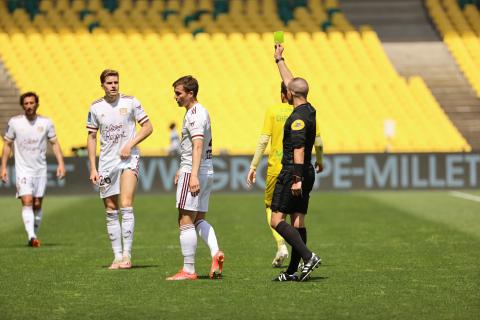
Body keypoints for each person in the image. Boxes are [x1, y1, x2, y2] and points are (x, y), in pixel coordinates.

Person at [86, 69, 153, 270]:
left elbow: (148, 127)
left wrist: (130, 145)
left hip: (128, 159)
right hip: (106, 163)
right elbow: (91, 138)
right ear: (102, 85)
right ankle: (116, 256)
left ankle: (127, 255)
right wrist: (92, 167)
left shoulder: (131, 102)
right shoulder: (95, 108)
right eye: (109, 83)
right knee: (110, 208)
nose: (113, 85)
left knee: (126, 203)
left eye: (116, 82)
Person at [270, 44, 324, 282]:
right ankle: (292, 271)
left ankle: (308, 256)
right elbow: (292, 82)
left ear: (291, 94)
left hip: (294, 171)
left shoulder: (298, 119)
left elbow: (299, 149)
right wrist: (279, 60)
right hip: (306, 171)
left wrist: (296, 180)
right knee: (298, 220)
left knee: (277, 220)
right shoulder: (309, 109)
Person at [166, 75, 224, 281]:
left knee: (185, 219)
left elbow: (198, 145)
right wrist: (183, 168)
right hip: (206, 171)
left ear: (191, 93)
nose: (175, 97)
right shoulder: (200, 112)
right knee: (199, 219)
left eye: (179, 93)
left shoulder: (194, 114)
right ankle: (216, 252)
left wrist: (191, 175)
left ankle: (188, 270)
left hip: (196, 171)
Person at [1, 92, 66, 247]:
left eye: (32, 103)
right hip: (23, 170)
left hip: (40, 170)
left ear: (37, 104)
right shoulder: (15, 123)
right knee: (27, 201)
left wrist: (61, 163)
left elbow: (55, 143)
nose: (29, 106)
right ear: (22, 105)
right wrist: (3, 166)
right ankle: (31, 236)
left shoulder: (46, 122)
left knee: (37, 204)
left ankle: (34, 233)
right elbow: (7, 144)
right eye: (26, 103)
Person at [246, 82, 291, 267]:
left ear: (282, 94)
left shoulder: (273, 111)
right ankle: (300, 254)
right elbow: (318, 141)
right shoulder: (304, 112)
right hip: (298, 168)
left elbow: (264, 139)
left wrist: (253, 166)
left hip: (276, 167)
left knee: (270, 207)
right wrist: (319, 160)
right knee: (291, 210)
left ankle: (281, 245)